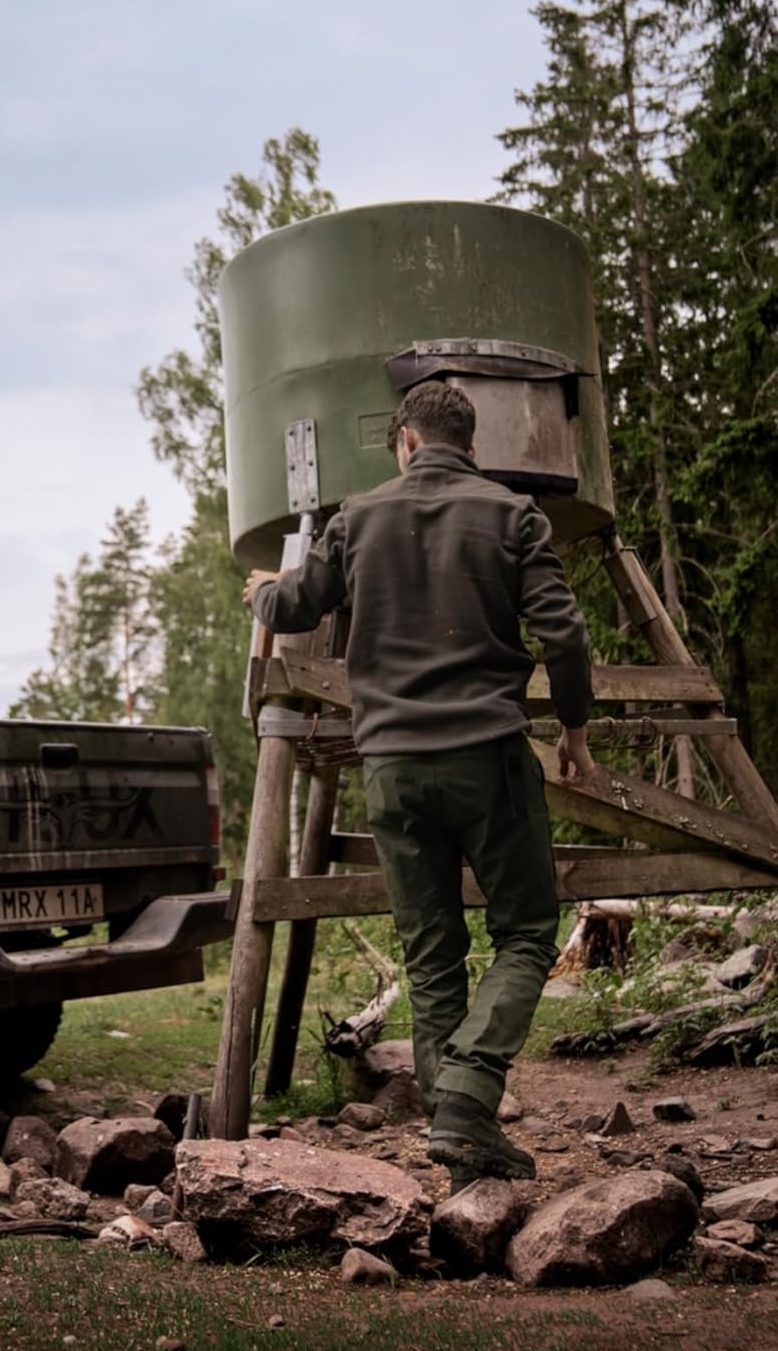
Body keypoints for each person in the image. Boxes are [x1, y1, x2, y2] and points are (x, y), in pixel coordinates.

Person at [242, 378, 594, 1184]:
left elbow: (297, 605)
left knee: (433, 953)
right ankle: (468, 1104)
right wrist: (574, 732)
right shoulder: (514, 515)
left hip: (393, 769)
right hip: (487, 757)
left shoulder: (357, 517)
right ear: (472, 447)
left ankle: (457, 1131)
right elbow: (563, 635)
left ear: (404, 442)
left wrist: (265, 592)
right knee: (528, 932)